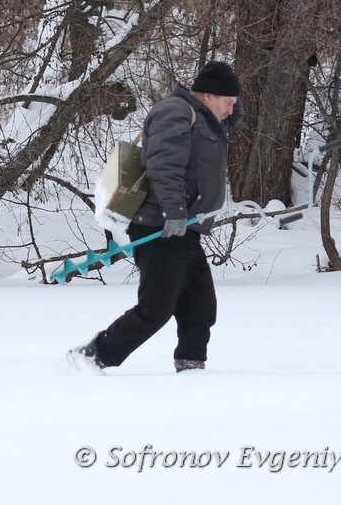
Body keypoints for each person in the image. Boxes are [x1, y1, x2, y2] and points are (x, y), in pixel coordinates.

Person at [71, 61, 244, 373]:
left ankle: (191, 364)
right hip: (162, 227)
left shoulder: (208, 119)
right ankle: (92, 357)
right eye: (227, 102)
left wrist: (229, 89)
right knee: (155, 310)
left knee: (199, 307)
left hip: (185, 230)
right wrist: (174, 213)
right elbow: (164, 167)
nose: (232, 110)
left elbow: (230, 117)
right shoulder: (175, 113)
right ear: (206, 96)